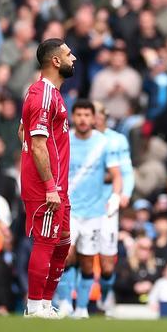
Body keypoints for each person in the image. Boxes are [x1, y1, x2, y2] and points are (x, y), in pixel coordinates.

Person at [19, 38, 76, 318]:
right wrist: (49, 185)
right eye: (68, 54)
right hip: (46, 187)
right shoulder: (43, 95)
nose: (73, 58)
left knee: (63, 242)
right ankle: (34, 307)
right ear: (55, 61)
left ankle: (45, 303)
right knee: (45, 241)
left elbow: (23, 131)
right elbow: (38, 144)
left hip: (57, 184)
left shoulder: (50, 94)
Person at [54, 99, 122, 319]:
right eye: (79, 115)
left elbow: (117, 174)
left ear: (93, 118)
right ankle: (65, 302)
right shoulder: (64, 140)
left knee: (87, 261)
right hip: (69, 210)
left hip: (94, 213)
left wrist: (115, 196)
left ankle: (82, 307)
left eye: (87, 115)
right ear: (73, 117)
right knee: (65, 255)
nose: (83, 119)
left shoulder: (104, 143)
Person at [93, 101, 135, 315]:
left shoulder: (117, 140)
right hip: (82, 204)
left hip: (108, 203)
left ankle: (105, 294)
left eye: (97, 114)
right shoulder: (76, 138)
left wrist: (125, 193)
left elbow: (126, 170)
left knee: (107, 258)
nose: (94, 118)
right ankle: (68, 301)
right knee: (73, 253)